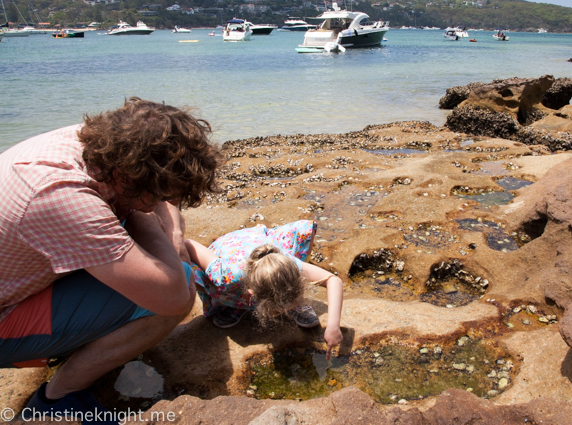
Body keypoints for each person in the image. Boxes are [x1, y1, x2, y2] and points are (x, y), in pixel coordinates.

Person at [0, 97, 220, 422]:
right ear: (129, 175)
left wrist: (171, 232)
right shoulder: (65, 196)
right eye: (158, 194)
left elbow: (161, 208)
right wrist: (165, 236)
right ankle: (57, 397)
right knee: (179, 291)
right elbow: (171, 294)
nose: (165, 203)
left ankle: (71, 345)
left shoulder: (96, 144)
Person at [185, 220, 343, 359]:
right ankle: (230, 305)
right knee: (199, 276)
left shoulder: (287, 264)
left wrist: (333, 325)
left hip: (263, 245)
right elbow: (188, 244)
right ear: (251, 295)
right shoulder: (226, 275)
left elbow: (333, 280)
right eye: (277, 311)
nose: (280, 315)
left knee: (302, 232)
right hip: (230, 248)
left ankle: (294, 305)